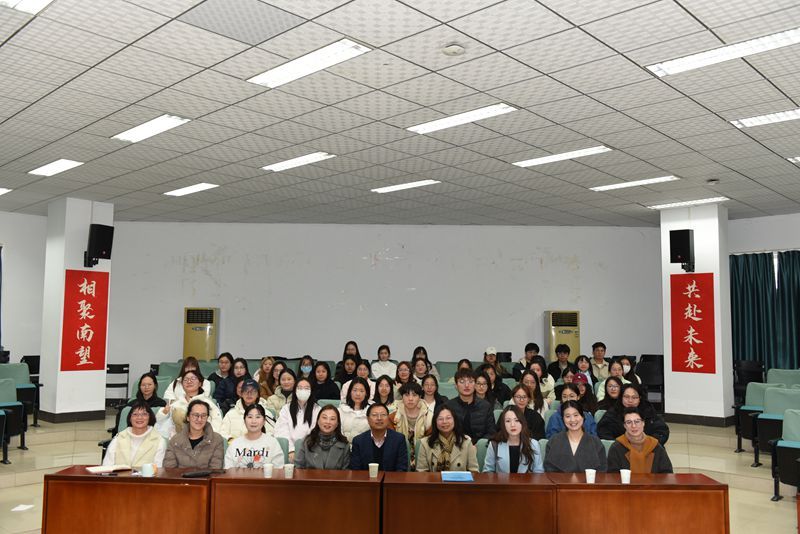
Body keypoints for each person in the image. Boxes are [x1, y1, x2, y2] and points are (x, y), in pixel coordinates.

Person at [156, 370, 222, 439]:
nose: (189, 381)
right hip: (179, 441)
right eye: (186, 380)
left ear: (200, 383)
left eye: (193, 379)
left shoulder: (208, 403)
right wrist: (164, 413)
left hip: (204, 440)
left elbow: (217, 422)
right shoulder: (176, 404)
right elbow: (161, 424)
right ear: (182, 385)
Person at [544, 401, 607, 473]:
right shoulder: (554, 441)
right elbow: (549, 469)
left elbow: (602, 471)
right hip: (558, 480)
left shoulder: (596, 442)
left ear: (583, 417)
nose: (572, 420)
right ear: (563, 419)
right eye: (567, 416)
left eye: (576, 415)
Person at [598, 384, 670, 445]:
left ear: (639, 399)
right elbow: (603, 432)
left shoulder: (648, 411)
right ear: (621, 398)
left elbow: (661, 430)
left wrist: (647, 444)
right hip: (621, 450)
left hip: (647, 448)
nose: (630, 400)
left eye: (634, 397)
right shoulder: (613, 412)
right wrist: (621, 445)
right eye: (626, 397)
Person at [607, 407, 673, 474]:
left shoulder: (655, 446)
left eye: (637, 421)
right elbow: (612, 476)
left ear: (643, 423)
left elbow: (667, 473)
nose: (633, 426)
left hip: (654, 481)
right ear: (624, 426)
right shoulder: (617, 447)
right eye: (629, 422)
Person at [163, 399, 224, 469]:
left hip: (207, 476)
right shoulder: (175, 441)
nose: (199, 419)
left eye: (203, 415)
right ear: (188, 417)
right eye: (195, 415)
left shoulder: (216, 440)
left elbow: (215, 470)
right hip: (179, 476)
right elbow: (169, 470)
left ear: (207, 418)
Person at [104, 401, 166, 468]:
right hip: (119, 474)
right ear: (130, 418)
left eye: (144, 414)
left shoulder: (159, 440)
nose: (139, 417)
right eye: (135, 414)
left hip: (147, 475)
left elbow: (159, 469)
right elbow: (106, 466)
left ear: (150, 417)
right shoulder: (118, 438)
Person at [417, 405, 478, 472]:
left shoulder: (466, 442)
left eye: (448, 418)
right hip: (434, 479)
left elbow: (474, 471)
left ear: (454, 420)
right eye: (440, 419)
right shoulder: (425, 443)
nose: (444, 422)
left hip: (459, 479)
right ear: (435, 422)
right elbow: (422, 472)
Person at [483, 406, 544, 473]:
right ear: (503, 424)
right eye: (508, 421)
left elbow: (539, 473)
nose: (512, 425)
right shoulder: (494, 444)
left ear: (522, 423)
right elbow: (488, 472)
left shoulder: (533, 444)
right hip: (501, 480)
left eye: (516, 420)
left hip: (527, 480)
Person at [350, 403, 408, 471]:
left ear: (388, 418)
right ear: (368, 419)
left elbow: (401, 469)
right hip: (366, 478)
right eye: (374, 415)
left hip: (392, 478)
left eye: (383, 415)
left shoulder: (399, 439)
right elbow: (356, 470)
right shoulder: (358, 441)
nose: (379, 418)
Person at [224, 404, 284, 469]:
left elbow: (278, 470)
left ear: (264, 421)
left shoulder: (273, 443)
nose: (253, 421)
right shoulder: (235, 444)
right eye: (250, 417)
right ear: (244, 420)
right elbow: (228, 470)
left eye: (258, 417)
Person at [275, 377, 321, 461]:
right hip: (289, 452)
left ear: (311, 391)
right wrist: (291, 450)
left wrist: (307, 450)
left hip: (311, 450)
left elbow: (316, 432)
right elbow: (282, 431)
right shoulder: (286, 409)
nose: (303, 391)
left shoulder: (317, 409)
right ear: (295, 391)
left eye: (306, 388)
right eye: (300, 388)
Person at [388, 381, 431, 470]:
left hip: (424, 461)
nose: (410, 399)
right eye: (407, 395)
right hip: (398, 461)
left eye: (414, 395)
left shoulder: (429, 417)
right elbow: (391, 444)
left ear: (420, 397)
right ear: (402, 397)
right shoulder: (393, 417)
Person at [444, 369, 495, 444]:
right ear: (456, 386)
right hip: (455, 445)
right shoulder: (448, 406)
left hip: (479, 446)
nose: (467, 385)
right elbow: (444, 432)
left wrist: (478, 445)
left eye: (471, 381)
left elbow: (491, 432)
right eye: (462, 382)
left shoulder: (485, 406)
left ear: (475, 385)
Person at [295, 405, 351, 470]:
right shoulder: (307, 442)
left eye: (332, 419)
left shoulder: (344, 445)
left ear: (337, 424)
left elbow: (346, 472)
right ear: (318, 421)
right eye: (324, 418)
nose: (328, 422)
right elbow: (298, 469)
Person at [340, 377, 371, 441]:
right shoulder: (341, 410)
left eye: (361, 391)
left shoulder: (371, 411)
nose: (358, 394)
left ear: (366, 393)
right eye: (355, 390)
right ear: (350, 392)